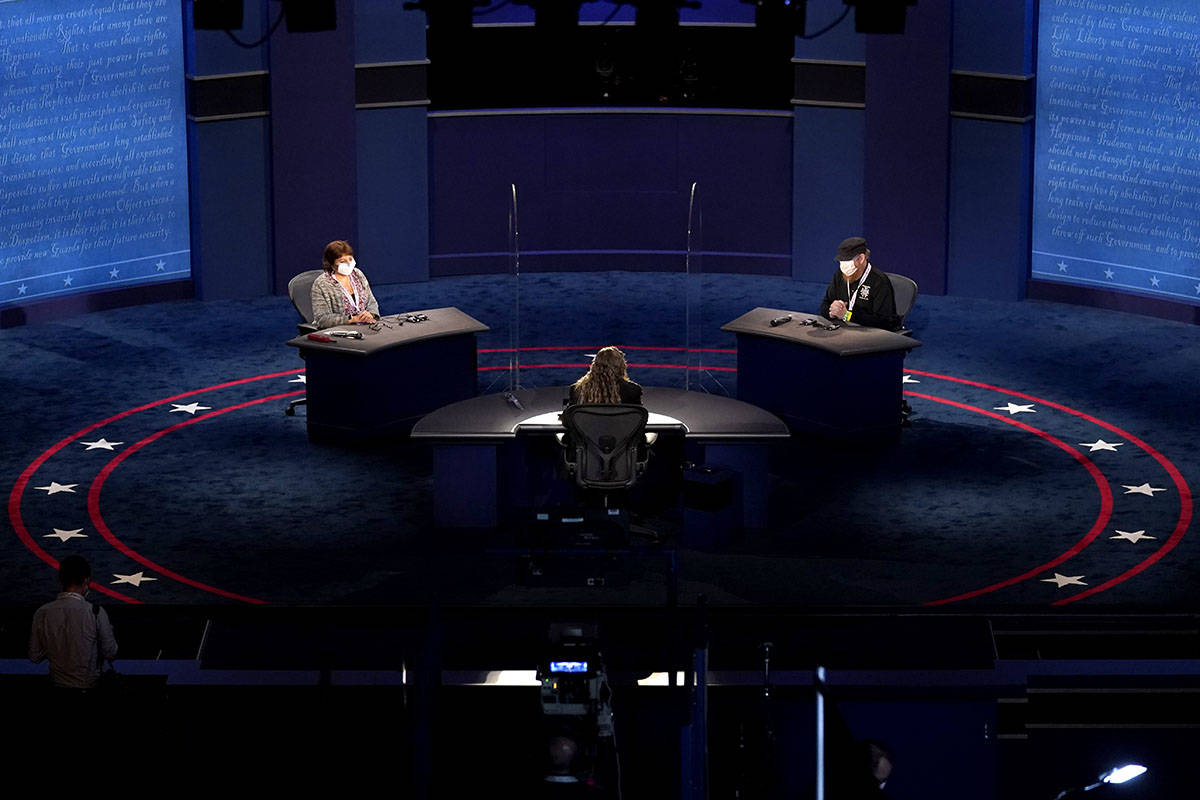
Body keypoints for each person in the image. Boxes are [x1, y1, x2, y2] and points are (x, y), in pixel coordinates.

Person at [29, 555, 118, 689]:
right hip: (89, 686)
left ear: (60, 581)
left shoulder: (42, 613)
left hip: (57, 686)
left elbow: (35, 656)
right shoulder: (95, 612)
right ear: (87, 581)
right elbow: (111, 652)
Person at [819, 236, 900, 331]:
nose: (843, 266)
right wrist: (831, 312)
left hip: (870, 334)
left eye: (847, 261)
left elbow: (885, 322)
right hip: (843, 330)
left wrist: (847, 315)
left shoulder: (879, 281)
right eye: (841, 261)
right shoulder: (840, 275)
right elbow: (825, 304)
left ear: (861, 258)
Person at [310, 239, 381, 329]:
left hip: (365, 325)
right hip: (340, 331)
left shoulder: (358, 274)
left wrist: (371, 314)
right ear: (331, 264)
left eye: (350, 259)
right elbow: (322, 319)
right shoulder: (321, 284)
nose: (348, 263)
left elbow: (371, 302)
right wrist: (351, 319)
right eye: (342, 261)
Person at [567, 346, 642, 406]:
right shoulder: (633, 391)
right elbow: (638, 419)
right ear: (621, 366)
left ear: (594, 366)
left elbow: (570, 418)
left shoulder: (576, 390)